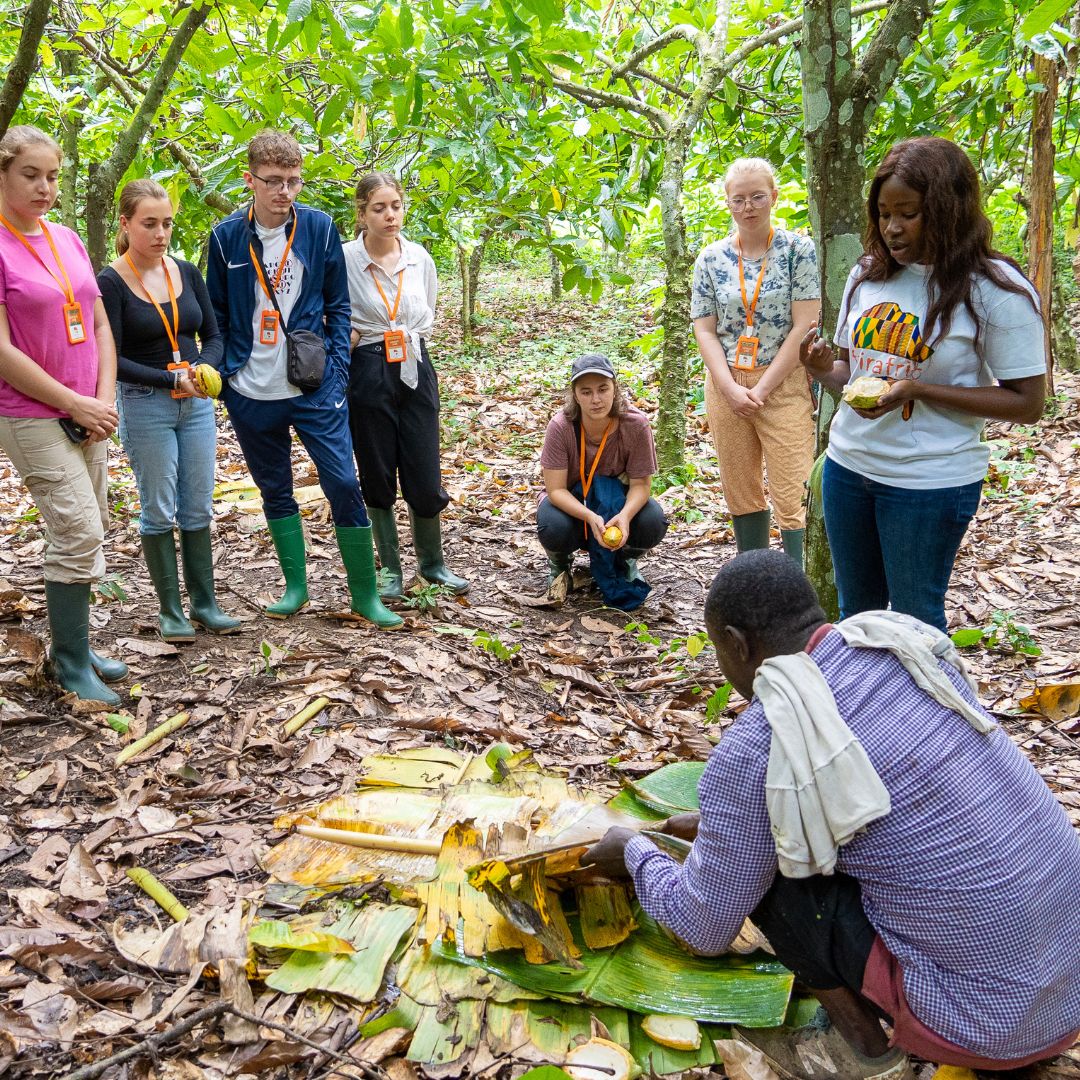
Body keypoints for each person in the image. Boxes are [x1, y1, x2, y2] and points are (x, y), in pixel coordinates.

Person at [587, 550, 1080, 1079]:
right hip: (1068, 992)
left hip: (985, 1027)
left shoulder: (761, 742)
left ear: (737, 643)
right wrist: (714, 829)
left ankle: (860, 1053)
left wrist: (635, 853)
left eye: (719, 651)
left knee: (780, 874)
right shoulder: (905, 649)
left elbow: (703, 926)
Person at [801, 136, 1045, 633]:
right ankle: (867, 689)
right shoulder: (868, 275)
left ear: (947, 210)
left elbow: (1028, 403)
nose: (892, 227)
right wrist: (822, 367)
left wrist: (917, 391)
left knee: (915, 624)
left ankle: (928, 690)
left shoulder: (994, 289)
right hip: (849, 468)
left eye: (908, 214)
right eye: (884, 213)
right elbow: (851, 376)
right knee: (857, 617)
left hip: (929, 481)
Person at [206, 131, 400, 629]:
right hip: (251, 389)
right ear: (250, 180)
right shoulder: (226, 237)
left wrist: (336, 373)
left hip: (313, 384)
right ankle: (296, 587)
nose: (284, 192)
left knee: (344, 482)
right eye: (273, 181)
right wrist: (226, 378)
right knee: (275, 488)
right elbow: (217, 317)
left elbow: (338, 304)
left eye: (293, 181)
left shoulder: (317, 227)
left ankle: (365, 594)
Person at [0, 125, 127, 705]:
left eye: (52, 176)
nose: (44, 187)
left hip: (88, 408)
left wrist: (102, 398)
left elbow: (97, 322)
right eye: (30, 175)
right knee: (77, 529)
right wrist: (72, 401)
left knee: (92, 522)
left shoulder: (67, 238)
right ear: (3, 174)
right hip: (31, 412)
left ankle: (76, 644)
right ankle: (70, 665)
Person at [98, 180, 238, 642]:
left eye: (167, 223)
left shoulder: (186, 271)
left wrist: (204, 368)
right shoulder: (111, 282)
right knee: (158, 508)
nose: (161, 234)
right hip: (146, 403)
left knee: (197, 503)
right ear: (126, 224)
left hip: (195, 402)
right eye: (149, 224)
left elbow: (213, 335)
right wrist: (169, 379)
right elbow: (112, 357)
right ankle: (171, 610)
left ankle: (204, 602)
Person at [342, 173, 467, 600]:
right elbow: (337, 315)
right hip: (368, 366)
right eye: (379, 208)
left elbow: (427, 308)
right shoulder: (345, 259)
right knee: (376, 468)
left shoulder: (419, 258)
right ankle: (390, 568)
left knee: (424, 466)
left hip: (415, 362)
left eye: (395, 206)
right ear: (362, 213)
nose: (389, 215)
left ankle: (433, 564)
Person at [691, 158, 818, 563]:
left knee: (794, 489)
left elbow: (805, 324)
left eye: (757, 197)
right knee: (741, 490)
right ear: (728, 202)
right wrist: (729, 387)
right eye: (739, 199)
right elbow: (705, 329)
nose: (748, 207)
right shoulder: (711, 258)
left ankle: (798, 587)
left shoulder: (798, 250)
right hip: (727, 383)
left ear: (774, 197)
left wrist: (761, 388)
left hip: (783, 382)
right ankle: (753, 580)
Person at [538, 353, 667, 604]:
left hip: (617, 504)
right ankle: (560, 562)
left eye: (603, 389)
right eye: (586, 392)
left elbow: (641, 485)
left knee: (653, 520)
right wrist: (589, 516)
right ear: (575, 395)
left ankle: (626, 559)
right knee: (552, 526)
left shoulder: (636, 425)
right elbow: (555, 490)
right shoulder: (561, 427)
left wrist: (625, 516)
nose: (596, 399)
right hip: (575, 505)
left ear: (614, 388)